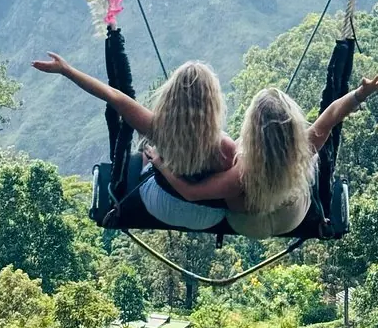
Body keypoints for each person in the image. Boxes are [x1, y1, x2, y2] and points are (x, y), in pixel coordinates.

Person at [147, 73, 378, 238]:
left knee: (234, 153)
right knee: (309, 160)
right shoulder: (301, 148)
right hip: (290, 217)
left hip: (249, 224)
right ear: (290, 129)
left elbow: (191, 193)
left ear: (252, 131)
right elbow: (333, 114)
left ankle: (248, 182)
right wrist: (360, 93)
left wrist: (159, 163)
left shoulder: (239, 173)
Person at [32, 54, 234, 230]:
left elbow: (113, 96)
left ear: (171, 97)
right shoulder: (224, 146)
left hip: (160, 205)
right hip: (206, 216)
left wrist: (66, 70)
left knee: (148, 152)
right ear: (213, 103)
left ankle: (158, 161)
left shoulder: (156, 128)